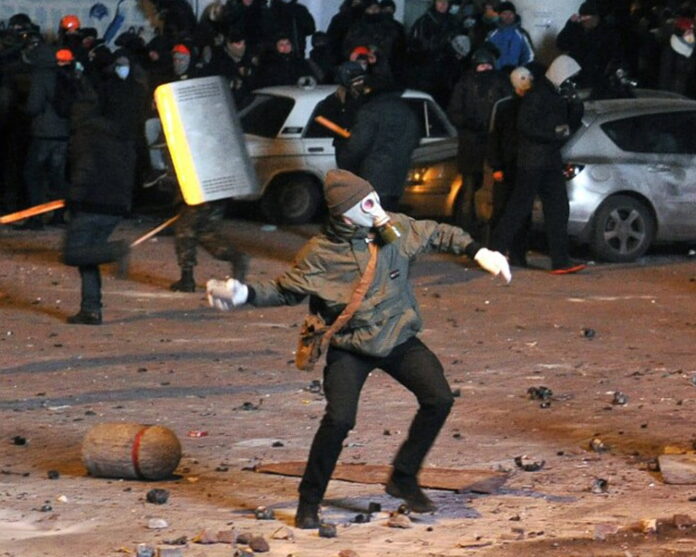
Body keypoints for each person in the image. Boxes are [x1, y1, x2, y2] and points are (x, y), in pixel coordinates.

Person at [206, 168, 511, 528]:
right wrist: (246, 294)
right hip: (351, 344)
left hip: (396, 335)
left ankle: (403, 478)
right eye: (367, 204)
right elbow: (287, 288)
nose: (377, 208)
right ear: (345, 214)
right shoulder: (320, 254)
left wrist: (480, 252)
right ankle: (310, 499)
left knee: (439, 397)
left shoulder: (396, 231)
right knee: (339, 419)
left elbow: (439, 233)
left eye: (376, 198)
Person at [62, 51, 148, 324]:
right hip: (116, 203)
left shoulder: (86, 134)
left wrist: (72, 200)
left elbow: (84, 170)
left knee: (72, 252)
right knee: (89, 255)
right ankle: (91, 309)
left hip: (92, 202)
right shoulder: (119, 134)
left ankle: (117, 250)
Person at [491, 54, 586, 274]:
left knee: (557, 208)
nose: (571, 82)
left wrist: (576, 106)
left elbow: (568, 127)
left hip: (547, 160)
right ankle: (492, 251)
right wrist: (552, 134)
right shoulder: (539, 95)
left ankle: (560, 261)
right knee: (519, 209)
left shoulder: (552, 94)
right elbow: (526, 126)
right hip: (533, 161)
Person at [447, 45, 511, 236]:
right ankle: (469, 229)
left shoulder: (494, 82)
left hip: (486, 144)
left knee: (487, 190)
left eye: (487, 66)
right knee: (470, 189)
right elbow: (455, 112)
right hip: (474, 144)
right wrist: (471, 123)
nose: (484, 70)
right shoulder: (467, 83)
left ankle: (483, 228)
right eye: (481, 66)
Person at [334, 74, 420, 211]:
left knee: (366, 221)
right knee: (388, 220)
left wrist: (345, 161)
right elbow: (413, 141)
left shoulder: (370, 111)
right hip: (398, 177)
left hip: (372, 176)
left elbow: (357, 145)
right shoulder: (407, 112)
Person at [486, 65, 533, 266]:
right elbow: (495, 138)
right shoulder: (505, 107)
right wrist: (496, 166)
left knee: (519, 212)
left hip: (520, 165)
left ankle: (517, 254)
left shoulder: (525, 105)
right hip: (509, 166)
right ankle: (499, 252)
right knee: (503, 211)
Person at [555, 0, 622, 91]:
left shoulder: (607, 32)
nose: (584, 20)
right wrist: (569, 25)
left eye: (587, 17)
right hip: (576, 75)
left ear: (596, 17)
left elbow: (613, 55)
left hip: (598, 77)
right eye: (582, 17)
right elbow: (561, 44)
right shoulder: (575, 28)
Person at [485, 1, 534, 71]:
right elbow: (486, 54)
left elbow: (529, 56)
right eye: (504, 14)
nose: (508, 17)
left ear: (514, 15)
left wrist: (520, 70)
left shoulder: (521, 34)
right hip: (496, 74)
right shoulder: (492, 34)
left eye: (511, 13)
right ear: (499, 15)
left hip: (515, 75)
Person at [658, 14, 696, 97]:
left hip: (687, 93)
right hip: (674, 93)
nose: (691, 35)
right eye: (688, 32)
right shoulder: (670, 50)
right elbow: (665, 75)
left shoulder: (692, 49)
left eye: (692, 31)